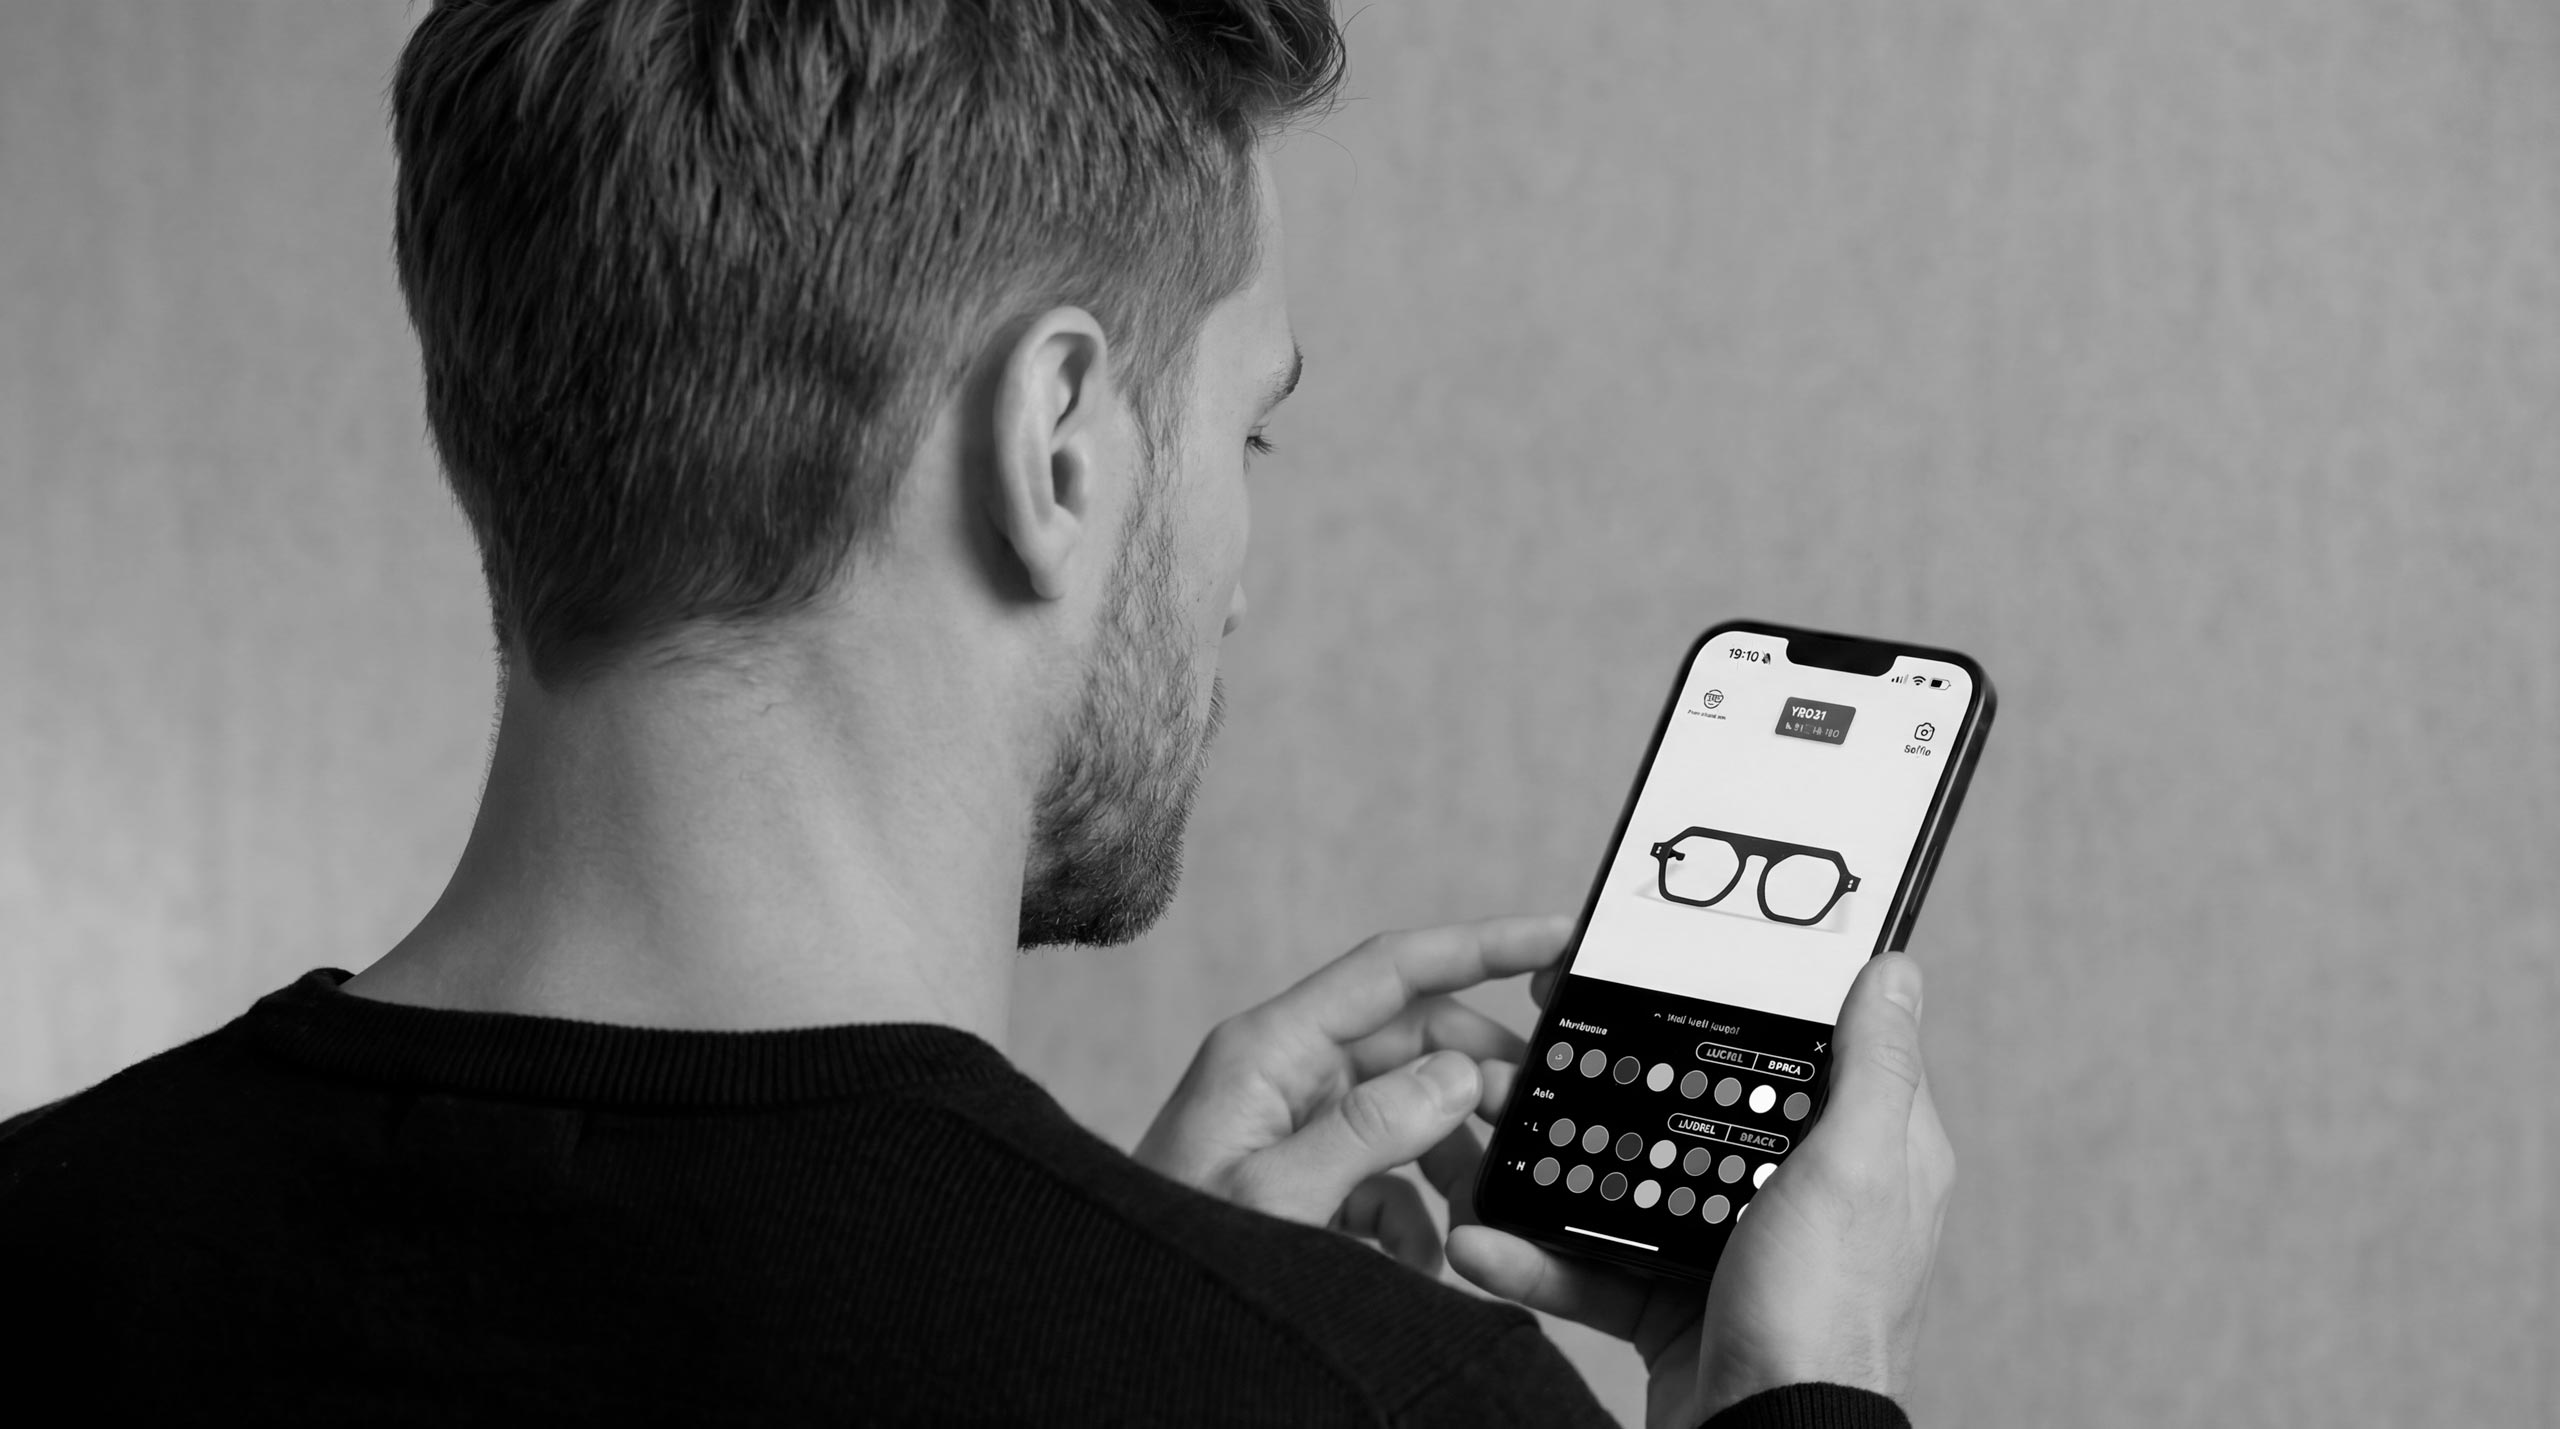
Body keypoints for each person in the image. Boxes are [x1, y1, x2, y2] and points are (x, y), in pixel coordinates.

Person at [0, 2, 1954, 1424]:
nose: (1238, 574)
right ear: (1056, 439)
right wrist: (1784, 1388)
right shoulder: (1376, 1399)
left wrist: (1145, 1296)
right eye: (1248, 432)